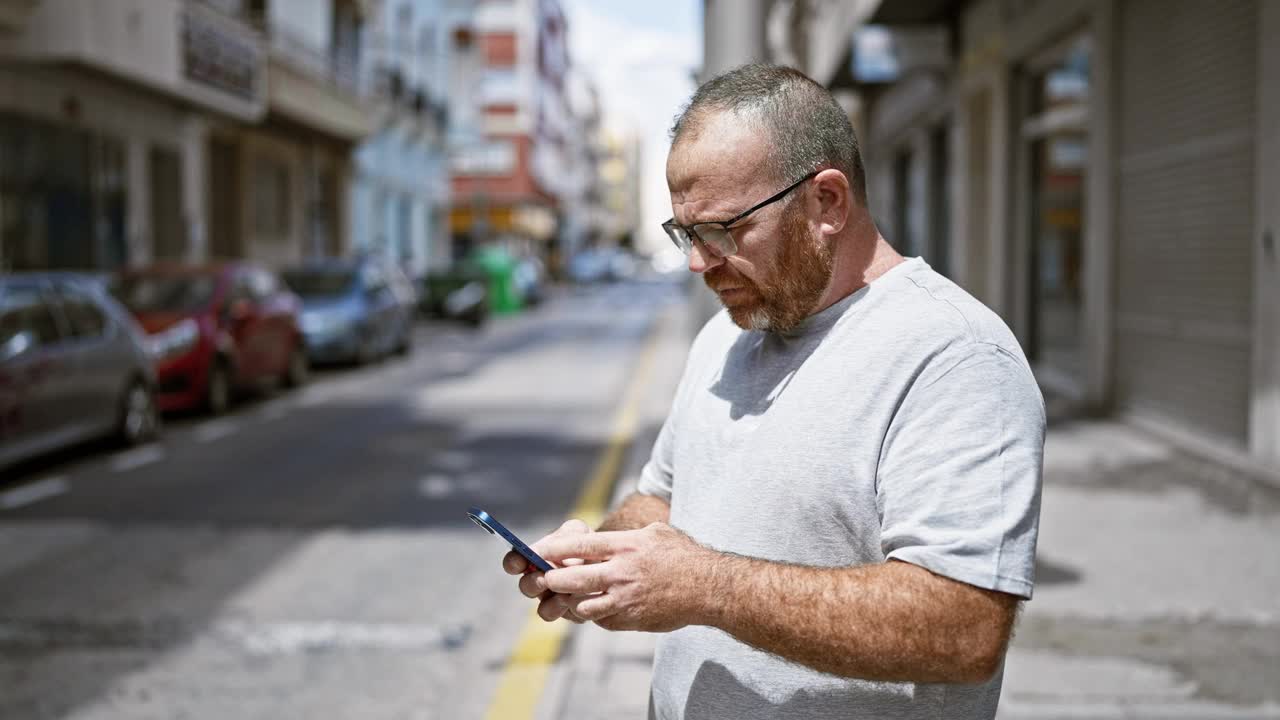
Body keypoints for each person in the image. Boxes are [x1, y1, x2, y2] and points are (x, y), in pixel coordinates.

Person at [502, 63, 1045, 719]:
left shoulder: (954, 356)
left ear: (827, 202)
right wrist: (597, 555)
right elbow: (666, 499)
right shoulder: (725, 336)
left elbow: (964, 630)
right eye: (686, 234)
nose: (700, 263)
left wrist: (705, 586)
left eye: (724, 229)